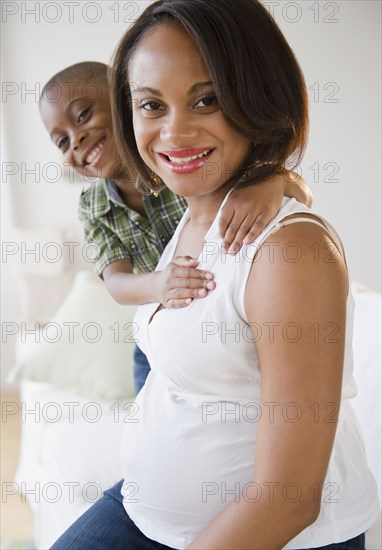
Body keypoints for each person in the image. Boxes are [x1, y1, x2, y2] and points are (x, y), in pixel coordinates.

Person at [51, 0, 380, 548]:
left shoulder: (288, 252)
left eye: (206, 99)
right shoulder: (192, 207)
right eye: (152, 105)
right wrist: (275, 177)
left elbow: (289, 498)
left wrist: (278, 180)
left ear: (258, 97)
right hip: (145, 508)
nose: (175, 133)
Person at [39, 61, 311, 394]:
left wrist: (273, 179)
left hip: (218, 317)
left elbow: (302, 193)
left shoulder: (184, 161)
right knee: (152, 410)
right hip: (158, 331)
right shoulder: (92, 205)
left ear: (128, 102)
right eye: (61, 142)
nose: (76, 139)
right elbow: (115, 283)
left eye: (83, 116)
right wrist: (158, 283)